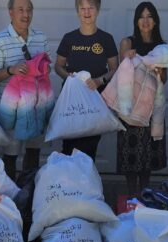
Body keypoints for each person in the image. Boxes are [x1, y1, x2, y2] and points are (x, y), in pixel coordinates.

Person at [0, 0, 50, 180]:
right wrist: (11, 70)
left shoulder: (41, 37)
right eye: (20, 10)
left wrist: (41, 68)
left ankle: (28, 193)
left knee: (33, 151)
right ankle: (9, 197)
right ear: (10, 12)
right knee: (10, 153)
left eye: (29, 10)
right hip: (10, 108)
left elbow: (48, 68)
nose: (26, 14)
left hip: (36, 106)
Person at [54, 0, 118, 161]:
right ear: (77, 11)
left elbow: (115, 69)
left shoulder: (106, 39)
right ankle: (68, 184)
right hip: (70, 102)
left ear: (98, 10)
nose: (87, 12)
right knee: (68, 146)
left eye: (91, 8)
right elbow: (58, 66)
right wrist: (67, 77)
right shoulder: (69, 38)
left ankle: (86, 183)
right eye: (82, 8)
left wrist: (99, 80)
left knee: (89, 148)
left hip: (95, 101)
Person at [116, 2, 168, 196]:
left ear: (155, 21)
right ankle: (131, 197)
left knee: (147, 157)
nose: (145, 21)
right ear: (136, 21)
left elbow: (164, 81)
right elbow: (122, 77)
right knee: (130, 157)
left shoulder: (162, 47)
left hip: (153, 107)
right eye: (141, 16)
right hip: (131, 107)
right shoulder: (127, 43)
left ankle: (144, 195)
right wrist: (127, 58)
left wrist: (160, 71)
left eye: (149, 17)